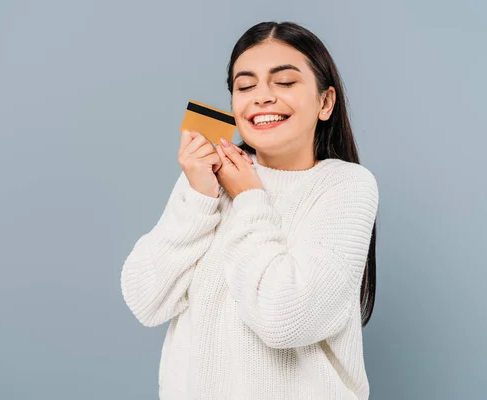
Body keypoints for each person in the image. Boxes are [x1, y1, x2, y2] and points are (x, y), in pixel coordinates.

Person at [120, 21, 379, 400]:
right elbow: (146, 301)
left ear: (325, 102)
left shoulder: (346, 186)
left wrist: (249, 196)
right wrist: (198, 197)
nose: (262, 97)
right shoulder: (207, 180)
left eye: (285, 82)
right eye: (245, 86)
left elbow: (283, 318)